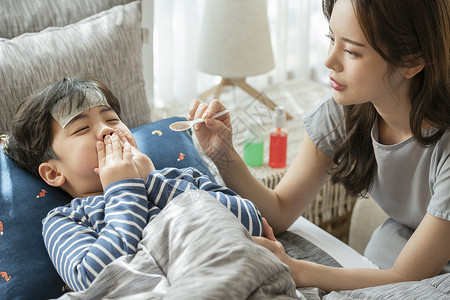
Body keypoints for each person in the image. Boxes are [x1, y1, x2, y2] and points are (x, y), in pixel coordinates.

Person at [189, 0, 450, 292]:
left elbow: (406, 277)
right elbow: (280, 210)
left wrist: (296, 269)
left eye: (351, 51)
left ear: (412, 61)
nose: (329, 61)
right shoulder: (347, 110)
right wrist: (224, 154)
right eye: (332, 39)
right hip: (401, 248)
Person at [0, 76, 263, 292]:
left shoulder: (178, 179)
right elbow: (94, 281)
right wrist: (124, 189)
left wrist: (152, 181)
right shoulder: (66, 220)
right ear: (54, 173)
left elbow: (252, 222)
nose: (107, 130)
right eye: (81, 129)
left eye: (111, 119)